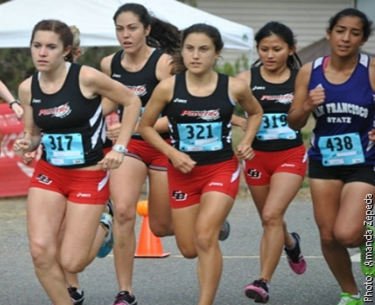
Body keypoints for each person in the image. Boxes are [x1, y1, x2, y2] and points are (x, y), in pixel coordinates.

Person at [13, 19, 141, 305]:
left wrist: (120, 147)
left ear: (66, 50)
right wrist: (27, 144)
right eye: (37, 46)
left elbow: (131, 101)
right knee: (41, 252)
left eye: (50, 47)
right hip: (50, 173)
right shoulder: (27, 88)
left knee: (72, 262)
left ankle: (104, 225)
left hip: (89, 174)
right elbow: (33, 133)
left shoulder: (86, 77)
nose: (42, 53)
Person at [139, 23, 263, 305]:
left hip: (220, 168)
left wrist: (247, 141)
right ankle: (217, 225)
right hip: (182, 173)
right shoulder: (168, 87)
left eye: (203, 49)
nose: (196, 55)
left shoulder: (234, 87)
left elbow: (256, 113)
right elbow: (145, 127)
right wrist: (171, 153)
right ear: (182, 51)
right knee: (189, 248)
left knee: (204, 238)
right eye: (190, 48)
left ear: (216, 53)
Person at [288, 8, 375, 305]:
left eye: (354, 32)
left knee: (348, 234)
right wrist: (307, 105)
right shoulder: (308, 72)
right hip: (324, 161)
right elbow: (294, 122)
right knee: (328, 237)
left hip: (365, 161)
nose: (346, 37)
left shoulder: (371, 70)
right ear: (329, 33)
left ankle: (368, 239)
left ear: (363, 39)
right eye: (340, 30)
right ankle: (350, 293)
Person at [100, 4, 179, 304]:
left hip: (162, 145)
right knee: (123, 212)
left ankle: (206, 222)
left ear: (146, 29)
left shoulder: (164, 64)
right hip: (129, 146)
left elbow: (178, 114)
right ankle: (125, 291)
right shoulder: (110, 63)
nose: (125, 34)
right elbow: (108, 103)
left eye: (132, 28)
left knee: (160, 226)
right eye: (120, 28)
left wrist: (132, 123)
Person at [235, 22, 307, 303]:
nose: (270, 54)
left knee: (271, 215)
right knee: (270, 219)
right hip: (257, 157)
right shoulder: (246, 79)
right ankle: (291, 243)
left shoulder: (302, 78)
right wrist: (241, 120)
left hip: (289, 154)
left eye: (277, 49)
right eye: (264, 49)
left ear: (291, 50)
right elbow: (212, 101)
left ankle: (262, 281)